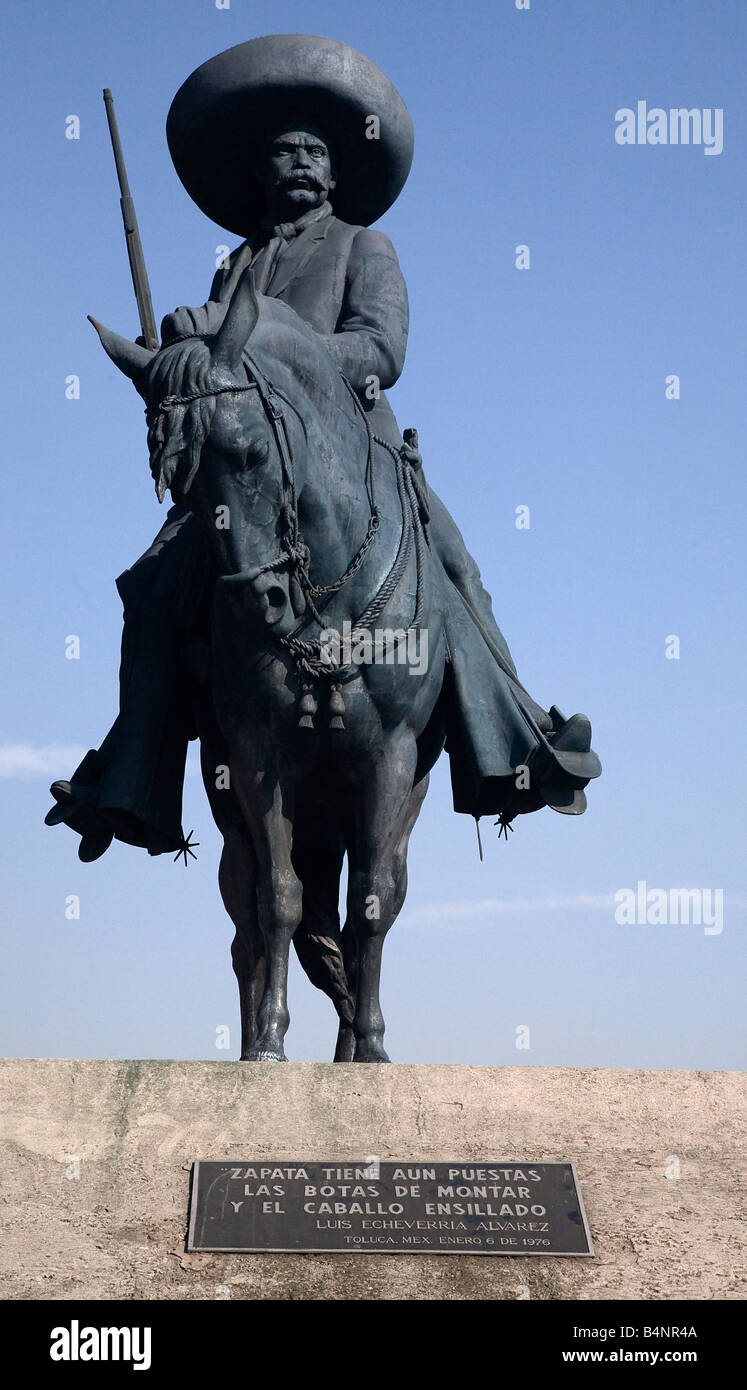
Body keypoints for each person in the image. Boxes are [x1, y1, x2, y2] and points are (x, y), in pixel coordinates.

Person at [46, 36, 599, 861]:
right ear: (261, 174)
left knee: (453, 571)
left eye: (315, 151)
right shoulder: (235, 264)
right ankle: (127, 775)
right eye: (283, 152)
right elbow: (211, 363)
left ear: (336, 174)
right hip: (250, 469)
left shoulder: (362, 248)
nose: (299, 162)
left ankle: (517, 741)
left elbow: (381, 349)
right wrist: (173, 362)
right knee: (152, 590)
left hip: (358, 458)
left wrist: (283, 350)